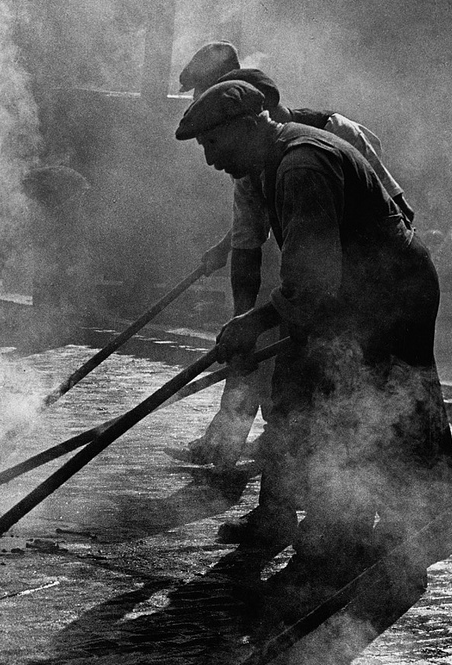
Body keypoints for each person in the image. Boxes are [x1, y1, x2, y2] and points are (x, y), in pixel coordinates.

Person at [175, 80, 452, 602]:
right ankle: (334, 527)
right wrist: (258, 322)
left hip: (391, 292)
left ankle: (412, 528)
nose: (210, 160)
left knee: (389, 404)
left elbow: (313, 280)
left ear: (244, 127)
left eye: (212, 145)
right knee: (314, 398)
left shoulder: (301, 165)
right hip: (356, 294)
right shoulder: (275, 162)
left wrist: (253, 324)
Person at [176, 42, 415, 482]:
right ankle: (242, 453)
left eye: (216, 139)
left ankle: (366, 515)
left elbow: (398, 216)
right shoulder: (249, 166)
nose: (212, 159)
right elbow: (249, 244)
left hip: (373, 284)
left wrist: (316, 303)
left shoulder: (326, 141)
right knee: (288, 384)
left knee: (362, 400)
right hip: (304, 273)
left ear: (252, 119)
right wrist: (244, 319)